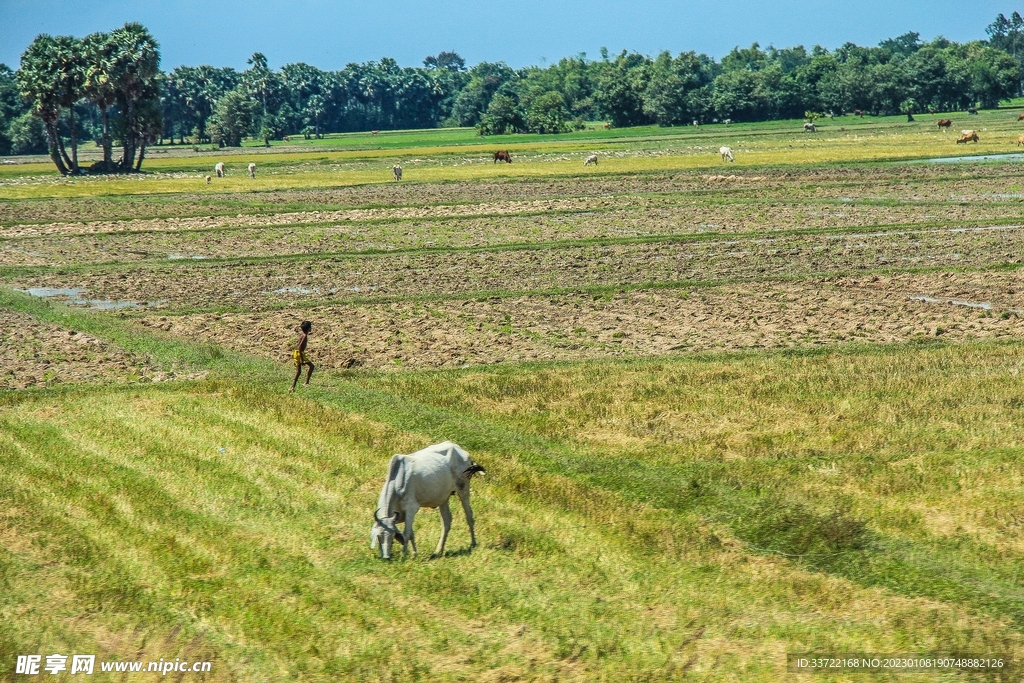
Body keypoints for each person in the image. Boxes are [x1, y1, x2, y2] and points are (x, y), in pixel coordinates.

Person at [290, 321, 314, 392]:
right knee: (312, 366)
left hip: (296, 352)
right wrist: (301, 359)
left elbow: (298, 345)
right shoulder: (305, 336)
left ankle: (292, 387)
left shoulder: (302, 334)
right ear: (309, 328)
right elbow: (300, 347)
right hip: (299, 353)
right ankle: (306, 382)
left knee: (298, 371)